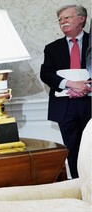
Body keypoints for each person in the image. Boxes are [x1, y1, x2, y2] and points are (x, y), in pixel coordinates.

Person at [40, 5, 91, 178]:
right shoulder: (52, 48)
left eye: (67, 18)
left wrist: (86, 87)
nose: (63, 22)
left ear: (81, 19)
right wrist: (71, 84)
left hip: (89, 103)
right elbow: (46, 74)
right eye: (60, 20)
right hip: (65, 106)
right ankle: (78, 186)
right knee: (73, 150)